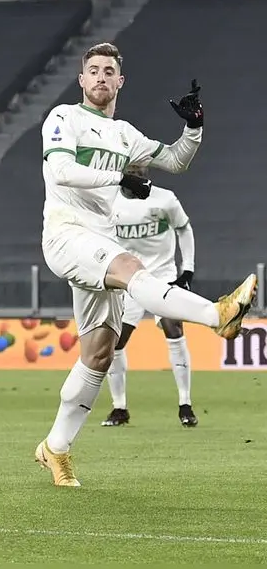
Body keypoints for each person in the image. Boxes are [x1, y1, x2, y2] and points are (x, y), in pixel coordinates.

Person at [34, 42, 257, 488]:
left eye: (108, 71)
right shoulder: (63, 118)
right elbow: (61, 172)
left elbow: (174, 160)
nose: (99, 76)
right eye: (92, 70)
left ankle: (55, 449)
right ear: (81, 80)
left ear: (120, 81)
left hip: (98, 240)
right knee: (133, 266)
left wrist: (193, 128)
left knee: (98, 355)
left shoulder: (125, 135)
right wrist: (121, 176)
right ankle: (217, 314)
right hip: (65, 233)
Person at [103, 171, 198, 428]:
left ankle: (185, 404)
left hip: (162, 277)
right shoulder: (108, 201)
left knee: (173, 327)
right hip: (128, 279)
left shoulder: (164, 199)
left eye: (139, 171)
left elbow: (184, 229)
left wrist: (187, 269)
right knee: (115, 341)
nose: (137, 176)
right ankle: (119, 407)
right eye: (131, 171)